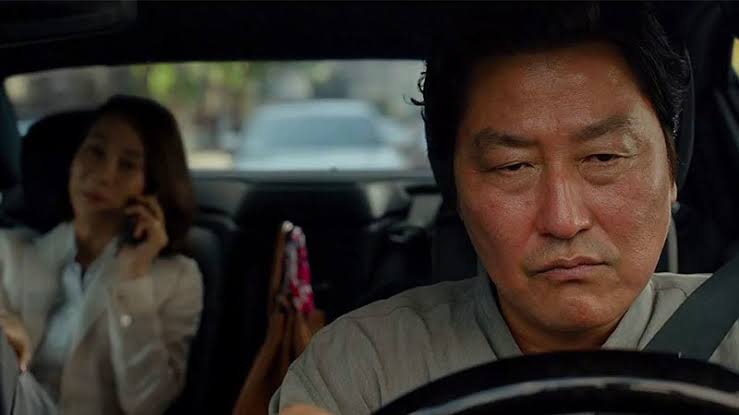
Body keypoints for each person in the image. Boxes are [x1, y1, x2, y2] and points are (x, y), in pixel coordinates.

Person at [269, 2, 739, 414]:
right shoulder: (363, 368)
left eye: (603, 158)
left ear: (672, 171)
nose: (564, 220)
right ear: (455, 187)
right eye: (512, 167)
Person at [0, 95, 203, 414]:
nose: (104, 174)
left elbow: (147, 404)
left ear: (151, 186)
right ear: (73, 160)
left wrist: (134, 279)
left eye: (128, 165)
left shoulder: (177, 278)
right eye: (95, 151)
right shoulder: (9, 251)